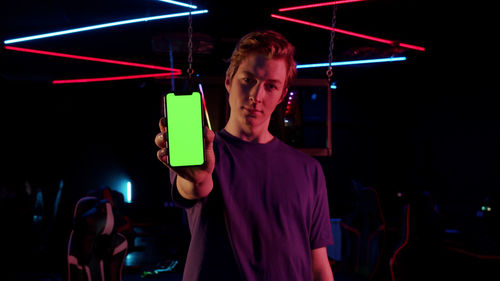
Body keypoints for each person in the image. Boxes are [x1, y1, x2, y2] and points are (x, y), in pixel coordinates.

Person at [155, 30, 334, 281]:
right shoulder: (203, 154)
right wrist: (195, 178)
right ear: (229, 80)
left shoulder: (309, 169)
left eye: (270, 86)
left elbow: (319, 265)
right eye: (248, 80)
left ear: (282, 95)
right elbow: (194, 187)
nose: (256, 96)